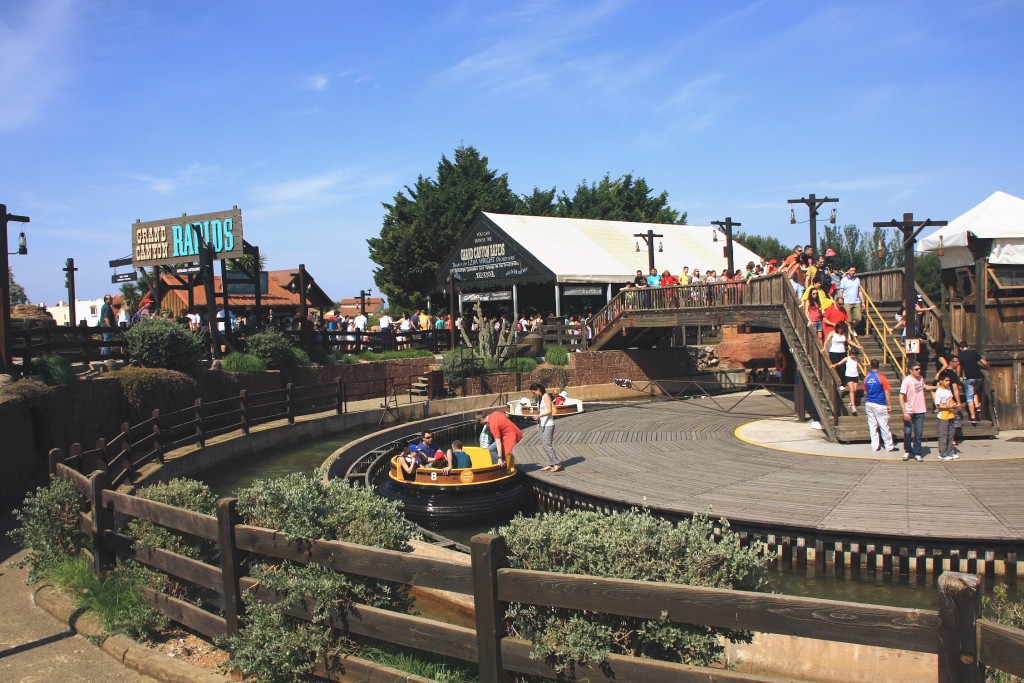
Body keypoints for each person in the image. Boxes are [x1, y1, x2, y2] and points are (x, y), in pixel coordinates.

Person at [899, 363, 934, 461]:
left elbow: (924, 387)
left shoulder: (920, 378)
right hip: (909, 410)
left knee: (918, 433)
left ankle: (917, 452)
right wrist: (904, 412)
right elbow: (901, 396)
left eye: (919, 369)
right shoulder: (907, 381)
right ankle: (907, 450)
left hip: (920, 409)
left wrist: (935, 387)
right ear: (910, 370)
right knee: (907, 432)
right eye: (916, 369)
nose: (919, 371)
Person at [863, 359, 898, 453]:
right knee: (883, 425)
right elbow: (887, 392)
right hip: (879, 403)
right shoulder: (882, 377)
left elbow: (865, 391)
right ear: (879, 366)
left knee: (872, 425)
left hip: (869, 403)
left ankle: (874, 446)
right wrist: (889, 404)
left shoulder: (866, 377)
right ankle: (889, 446)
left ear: (870, 366)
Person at [531, 382, 562, 472]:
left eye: (534, 392)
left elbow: (549, 411)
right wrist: (538, 422)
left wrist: (540, 415)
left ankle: (557, 463)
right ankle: (550, 464)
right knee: (543, 445)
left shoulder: (546, 396)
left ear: (538, 389)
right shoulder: (539, 398)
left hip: (549, 424)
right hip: (542, 424)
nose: (534, 394)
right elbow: (539, 410)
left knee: (547, 445)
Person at [957, 342, 988, 426]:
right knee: (975, 392)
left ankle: (973, 417)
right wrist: (986, 368)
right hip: (978, 377)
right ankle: (977, 406)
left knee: (969, 397)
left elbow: (959, 368)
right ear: (968, 347)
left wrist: (958, 376)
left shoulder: (960, 356)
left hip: (969, 378)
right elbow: (984, 363)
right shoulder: (974, 353)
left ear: (960, 348)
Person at [934, 375, 959, 461]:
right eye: (946, 381)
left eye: (949, 381)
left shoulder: (948, 389)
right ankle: (942, 453)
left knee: (951, 434)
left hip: (950, 414)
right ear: (941, 381)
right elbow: (938, 405)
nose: (948, 382)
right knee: (943, 435)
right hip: (943, 415)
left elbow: (951, 399)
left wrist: (954, 404)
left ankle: (950, 452)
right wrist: (947, 406)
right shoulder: (939, 391)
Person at [831, 346, 861, 415]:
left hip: (855, 375)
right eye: (853, 355)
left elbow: (862, 364)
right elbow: (839, 363)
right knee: (852, 389)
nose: (854, 356)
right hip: (849, 376)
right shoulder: (847, 358)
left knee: (855, 390)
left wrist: (868, 364)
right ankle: (853, 405)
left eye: (855, 355)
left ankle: (851, 402)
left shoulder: (857, 359)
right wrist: (834, 365)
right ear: (850, 354)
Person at [838, 267, 864, 332]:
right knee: (848, 320)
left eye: (854, 270)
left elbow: (860, 291)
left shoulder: (857, 279)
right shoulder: (844, 280)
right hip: (847, 301)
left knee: (859, 318)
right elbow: (841, 291)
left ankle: (852, 328)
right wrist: (841, 300)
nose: (853, 272)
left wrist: (863, 301)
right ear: (848, 271)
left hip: (856, 301)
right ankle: (849, 334)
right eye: (851, 270)